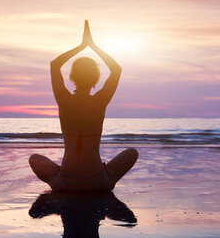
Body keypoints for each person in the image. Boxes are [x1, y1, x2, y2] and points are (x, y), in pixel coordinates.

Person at [29, 20, 138, 192]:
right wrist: (93, 46)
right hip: (98, 182)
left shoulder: (63, 99)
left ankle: (57, 175)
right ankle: (105, 174)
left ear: (71, 77)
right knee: (132, 152)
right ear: (96, 78)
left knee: (34, 158)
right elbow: (116, 69)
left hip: (65, 182)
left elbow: (54, 64)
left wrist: (81, 46)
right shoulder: (100, 100)